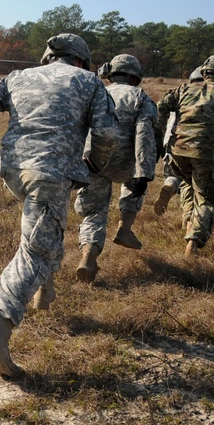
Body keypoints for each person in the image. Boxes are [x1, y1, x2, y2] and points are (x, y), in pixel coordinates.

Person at [0, 33, 118, 378]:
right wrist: (95, 164)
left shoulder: (18, 76)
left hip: (15, 169)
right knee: (34, 250)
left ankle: (44, 293)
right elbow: (107, 134)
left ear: (49, 56)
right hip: (50, 172)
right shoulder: (89, 82)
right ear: (81, 60)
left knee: (46, 234)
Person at [156, 55, 214, 257]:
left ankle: (189, 220)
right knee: (208, 196)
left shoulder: (183, 90)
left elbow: (161, 106)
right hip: (206, 153)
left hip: (178, 151)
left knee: (188, 184)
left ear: (204, 72)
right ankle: (194, 240)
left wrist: (160, 135)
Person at [74, 54, 159, 282]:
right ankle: (124, 228)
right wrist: (144, 171)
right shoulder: (140, 97)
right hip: (126, 164)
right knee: (133, 187)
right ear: (135, 75)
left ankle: (88, 257)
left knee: (94, 212)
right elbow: (144, 135)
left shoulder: (97, 92)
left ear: (110, 74)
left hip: (93, 162)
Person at [153, 68, 202, 216]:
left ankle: (169, 185)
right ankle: (189, 216)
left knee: (173, 175)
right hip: (199, 147)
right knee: (192, 183)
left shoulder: (179, 93)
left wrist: (159, 138)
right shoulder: (213, 97)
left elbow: (162, 111)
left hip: (173, 143)